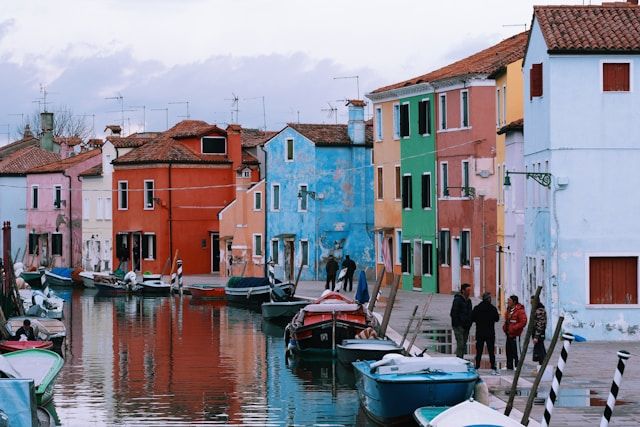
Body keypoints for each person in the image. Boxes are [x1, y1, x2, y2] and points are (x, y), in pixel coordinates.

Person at [471, 292, 500, 375]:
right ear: (489, 299)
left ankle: (477, 367)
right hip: (490, 333)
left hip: (480, 332)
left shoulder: (477, 308)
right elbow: (497, 319)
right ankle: (493, 368)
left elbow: (472, 318)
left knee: (479, 351)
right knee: (491, 351)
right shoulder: (492, 308)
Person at [503, 295, 527, 370]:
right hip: (508, 334)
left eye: (509, 301)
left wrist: (514, 328)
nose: (508, 302)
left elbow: (523, 322)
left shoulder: (520, 311)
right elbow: (507, 320)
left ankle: (517, 365)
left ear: (514, 302)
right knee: (508, 350)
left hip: (515, 334)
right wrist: (505, 327)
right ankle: (509, 365)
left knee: (516, 351)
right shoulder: (509, 310)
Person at [450, 283, 473, 359]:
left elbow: (470, 313)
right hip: (458, 326)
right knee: (460, 343)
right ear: (463, 291)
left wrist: (469, 323)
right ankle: (459, 359)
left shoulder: (469, 301)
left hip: (466, 326)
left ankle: (461, 358)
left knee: (463, 344)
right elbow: (453, 313)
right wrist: (457, 324)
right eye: (468, 290)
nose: (469, 292)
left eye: (470, 290)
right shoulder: (457, 300)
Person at [532, 296, 547, 366]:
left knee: (541, 350)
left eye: (532, 302)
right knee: (539, 349)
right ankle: (541, 365)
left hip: (539, 333)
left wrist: (536, 336)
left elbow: (540, 324)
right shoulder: (536, 309)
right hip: (536, 333)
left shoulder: (540, 311)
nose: (531, 303)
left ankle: (543, 365)